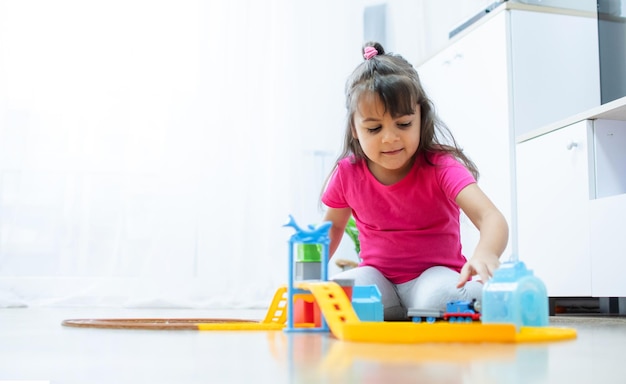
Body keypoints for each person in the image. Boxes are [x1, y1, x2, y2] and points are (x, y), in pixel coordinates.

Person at [321, 42, 509, 321]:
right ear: (355, 129)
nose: (390, 138)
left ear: (421, 117)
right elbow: (333, 227)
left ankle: (475, 300)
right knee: (335, 294)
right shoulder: (348, 172)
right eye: (374, 128)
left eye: (404, 124)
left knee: (440, 297)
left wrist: (485, 254)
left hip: (434, 278)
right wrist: (310, 274)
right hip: (377, 280)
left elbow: (490, 216)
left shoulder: (441, 166)